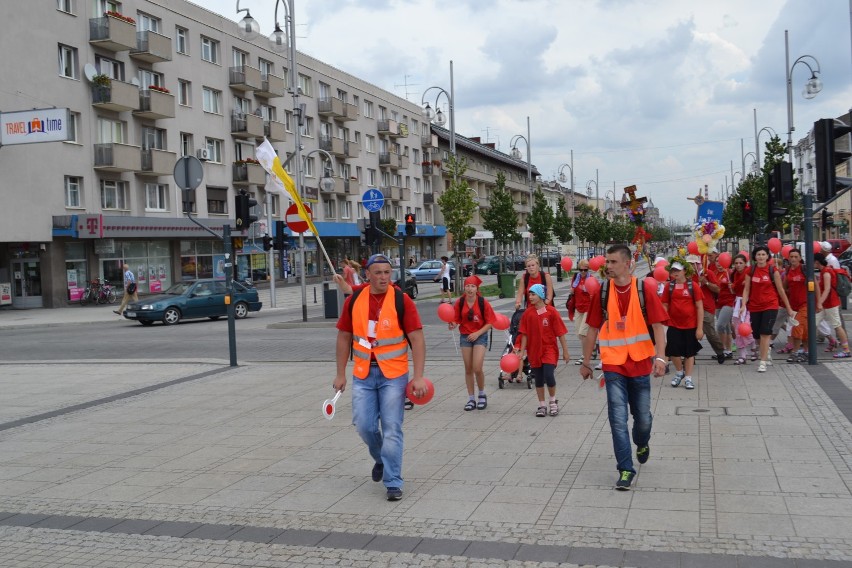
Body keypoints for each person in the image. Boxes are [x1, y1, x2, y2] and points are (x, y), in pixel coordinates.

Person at [333, 254, 427, 501]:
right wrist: (340, 373)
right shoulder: (354, 300)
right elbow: (344, 337)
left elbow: (416, 338)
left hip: (394, 375)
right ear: (367, 275)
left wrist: (418, 376)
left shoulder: (401, 300)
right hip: (363, 373)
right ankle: (380, 459)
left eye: (387, 272)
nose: (384, 277)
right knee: (363, 426)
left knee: (392, 427)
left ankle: (393, 482)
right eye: (378, 272)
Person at [580, 244, 668, 490]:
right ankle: (626, 469)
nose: (607, 266)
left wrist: (660, 358)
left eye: (613, 262)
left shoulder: (644, 289)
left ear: (628, 264)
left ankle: (642, 441)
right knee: (617, 420)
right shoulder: (602, 292)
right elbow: (592, 330)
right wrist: (586, 362)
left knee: (643, 420)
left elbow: (659, 326)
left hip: (640, 364)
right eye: (606, 262)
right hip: (613, 365)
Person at [740, 246, 797, 372]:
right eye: (758, 254)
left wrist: (788, 308)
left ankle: (763, 361)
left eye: (763, 254)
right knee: (757, 335)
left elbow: (781, 290)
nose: (760, 257)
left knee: (765, 333)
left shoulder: (773, 270)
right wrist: (743, 304)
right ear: (755, 257)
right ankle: (767, 351)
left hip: (770, 305)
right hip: (754, 306)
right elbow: (747, 289)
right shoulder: (751, 270)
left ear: (767, 256)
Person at [518, 284, 570, 417]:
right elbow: (524, 334)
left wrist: (565, 351)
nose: (530, 297)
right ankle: (542, 405)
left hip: (549, 349)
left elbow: (560, 333)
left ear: (541, 295)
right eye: (529, 294)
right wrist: (521, 351)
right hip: (534, 351)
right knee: (539, 378)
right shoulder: (527, 313)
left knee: (548, 375)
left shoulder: (551, 312)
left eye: (533, 294)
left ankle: (553, 401)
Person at [447, 275, 496, 411]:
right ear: (464, 287)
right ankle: (471, 398)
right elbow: (456, 319)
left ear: (477, 288)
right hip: (465, 336)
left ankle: (481, 394)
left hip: (480, 336)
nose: (469, 289)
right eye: (467, 286)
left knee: (477, 367)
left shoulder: (482, 302)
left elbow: (490, 322)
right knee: (468, 368)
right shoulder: (460, 302)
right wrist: (452, 324)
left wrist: (477, 333)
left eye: (472, 286)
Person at [662, 260, 704, 389]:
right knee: (673, 351)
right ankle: (679, 372)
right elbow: (664, 304)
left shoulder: (693, 286)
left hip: (690, 325)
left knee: (689, 353)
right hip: (674, 324)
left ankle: (689, 378)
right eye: (673, 270)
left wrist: (699, 328)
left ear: (684, 271)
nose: (675, 273)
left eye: (677, 271)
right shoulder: (669, 286)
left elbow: (699, 307)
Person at [688, 254, 726, 364]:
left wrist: (706, 282)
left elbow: (718, 289)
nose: (691, 266)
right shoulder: (686, 275)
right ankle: (691, 356)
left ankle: (720, 351)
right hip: (691, 308)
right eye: (689, 264)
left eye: (693, 263)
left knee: (710, 333)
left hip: (706, 307)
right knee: (690, 332)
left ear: (698, 264)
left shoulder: (707, 273)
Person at [814, 253, 851, 358]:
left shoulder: (826, 272)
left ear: (817, 262)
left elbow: (827, 289)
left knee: (837, 326)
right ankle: (808, 349)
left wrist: (819, 303)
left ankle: (846, 350)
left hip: (831, 303)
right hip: (826, 304)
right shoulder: (825, 271)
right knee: (813, 323)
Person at [783, 249, 809, 362]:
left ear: (800, 258)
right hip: (793, 306)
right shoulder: (788, 270)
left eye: (795, 256)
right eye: (791, 256)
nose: (793, 259)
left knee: (797, 328)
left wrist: (818, 302)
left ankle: (795, 352)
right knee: (805, 330)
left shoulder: (804, 269)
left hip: (805, 304)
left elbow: (815, 285)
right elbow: (783, 287)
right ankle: (807, 352)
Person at [730, 254, 756, 365]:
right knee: (737, 329)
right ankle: (742, 355)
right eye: (736, 263)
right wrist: (731, 287)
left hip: (747, 303)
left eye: (741, 263)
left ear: (745, 263)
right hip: (737, 303)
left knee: (746, 327)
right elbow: (733, 291)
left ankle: (754, 346)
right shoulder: (734, 274)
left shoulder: (749, 273)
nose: (738, 265)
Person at [567, 259, 592, 365]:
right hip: (578, 308)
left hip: (588, 309)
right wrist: (571, 290)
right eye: (581, 269)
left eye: (585, 270)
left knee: (583, 333)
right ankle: (592, 348)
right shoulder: (575, 278)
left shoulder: (591, 279)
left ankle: (585, 355)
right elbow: (573, 291)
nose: (582, 272)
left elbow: (594, 293)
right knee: (579, 333)